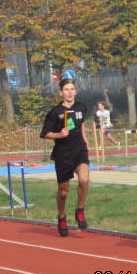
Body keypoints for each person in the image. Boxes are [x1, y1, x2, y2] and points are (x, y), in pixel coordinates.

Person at [40, 79, 91, 237]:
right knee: (63, 192)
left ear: (75, 91)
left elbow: (81, 124)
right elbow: (45, 134)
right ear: (61, 92)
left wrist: (85, 138)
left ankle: (80, 210)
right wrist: (59, 134)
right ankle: (61, 217)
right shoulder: (55, 112)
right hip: (63, 154)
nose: (70, 92)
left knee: (84, 180)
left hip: (80, 151)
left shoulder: (81, 107)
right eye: (66, 89)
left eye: (72, 89)